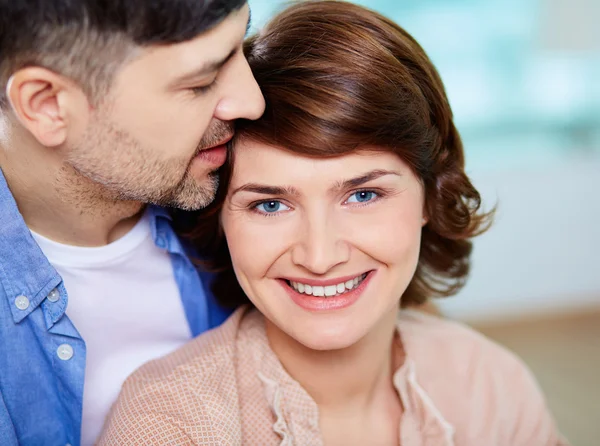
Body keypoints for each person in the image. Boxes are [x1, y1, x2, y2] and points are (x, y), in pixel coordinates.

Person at [98, 1, 567, 445]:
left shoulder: (491, 385)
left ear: (431, 194)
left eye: (363, 195)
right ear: (220, 218)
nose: (319, 256)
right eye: (270, 205)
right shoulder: (164, 422)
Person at [0, 0, 265, 444]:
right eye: (201, 82)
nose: (253, 102)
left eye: (241, 46)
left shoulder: (250, 186)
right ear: (48, 105)